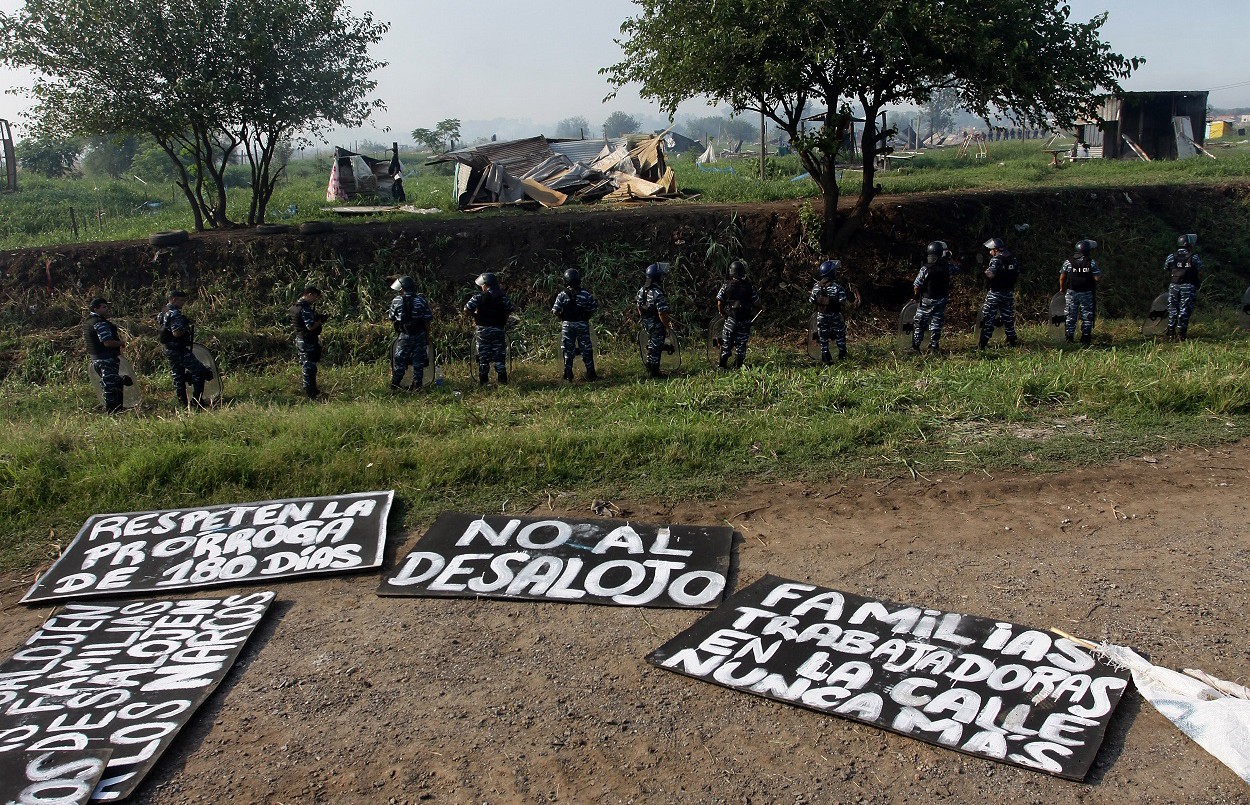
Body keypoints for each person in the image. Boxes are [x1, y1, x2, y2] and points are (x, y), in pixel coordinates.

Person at [157, 290, 212, 407]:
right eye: (181, 300)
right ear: (173, 299)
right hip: (178, 349)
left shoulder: (163, 312)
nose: (183, 303)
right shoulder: (175, 313)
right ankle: (196, 401)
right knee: (200, 371)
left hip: (168, 349)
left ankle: (182, 404)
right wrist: (186, 326)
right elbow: (176, 333)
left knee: (178, 376)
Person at [464, 272, 514, 386]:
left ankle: (483, 381)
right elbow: (510, 309)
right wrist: (503, 318)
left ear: (485, 285)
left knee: (483, 356)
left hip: (482, 331)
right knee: (499, 355)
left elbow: (466, 309)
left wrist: (476, 315)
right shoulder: (503, 297)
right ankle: (502, 380)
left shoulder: (478, 297)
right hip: (498, 329)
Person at [551, 268, 599, 381]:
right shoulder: (586, 294)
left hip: (567, 325)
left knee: (568, 349)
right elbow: (593, 308)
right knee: (586, 348)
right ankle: (591, 373)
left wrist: (562, 317)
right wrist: (586, 318)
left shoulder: (562, 295)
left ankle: (568, 374)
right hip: (582, 324)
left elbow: (555, 311)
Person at [911, 241, 960, 353]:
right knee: (936, 323)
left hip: (926, 300)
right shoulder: (947, 267)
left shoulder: (925, 268)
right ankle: (934, 346)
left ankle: (915, 346)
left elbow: (917, 285)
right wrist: (949, 258)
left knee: (919, 323)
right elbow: (957, 269)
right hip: (942, 299)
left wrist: (915, 297)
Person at [716, 259, 764, 369]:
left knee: (726, 343)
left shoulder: (726, 286)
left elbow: (719, 302)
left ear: (731, 272)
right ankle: (738, 366)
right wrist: (760, 308)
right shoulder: (749, 287)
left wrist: (722, 312)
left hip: (731, 319)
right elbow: (757, 303)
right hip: (745, 320)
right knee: (741, 344)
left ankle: (722, 366)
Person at [83, 297, 129, 413]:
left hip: (96, 359)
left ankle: (116, 410)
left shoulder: (88, 322)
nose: (107, 309)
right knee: (111, 388)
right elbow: (108, 342)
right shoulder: (100, 323)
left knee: (112, 384)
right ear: (95, 309)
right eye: (104, 307)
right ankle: (113, 413)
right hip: (106, 359)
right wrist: (122, 343)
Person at [388, 275, 433, 391]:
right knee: (419, 362)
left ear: (402, 288)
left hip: (404, 335)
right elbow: (427, 320)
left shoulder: (396, 300)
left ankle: (395, 385)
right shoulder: (421, 300)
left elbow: (392, 318)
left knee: (400, 361)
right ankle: (418, 386)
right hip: (420, 335)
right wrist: (427, 337)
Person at [978, 237, 1020, 349]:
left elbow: (991, 274)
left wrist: (983, 271)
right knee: (1008, 318)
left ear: (996, 249)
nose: (990, 252)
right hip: (1008, 293)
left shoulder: (996, 260)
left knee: (988, 318)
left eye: (991, 250)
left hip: (995, 293)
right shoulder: (1012, 258)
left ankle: (983, 344)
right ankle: (1012, 341)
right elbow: (1017, 273)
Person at [636, 263, 674, 378]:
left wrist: (645, 319)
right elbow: (661, 313)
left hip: (647, 322)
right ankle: (654, 372)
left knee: (651, 345)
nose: (663, 277)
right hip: (656, 323)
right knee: (656, 347)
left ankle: (649, 367)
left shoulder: (642, 290)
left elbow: (639, 307)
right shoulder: (657, 292)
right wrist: (666, 327)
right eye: (661, 275)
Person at [1059, 239, 1100, 345]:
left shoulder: (1068, 262)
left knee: (1070, 315)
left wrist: (1062, 288)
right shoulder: (1090, 262)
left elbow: (1062, 277)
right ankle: (1086, 338)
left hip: (1071, 292)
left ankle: (1069, 337)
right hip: (1086, 293)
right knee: (1087, 316)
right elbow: (1097, 278)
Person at [809, 259, 848, 363]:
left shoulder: (816, 287)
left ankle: (825, 356)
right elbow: (843, 301)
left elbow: (811, 300)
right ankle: (842, 355)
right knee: (839, 334)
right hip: (835, 315)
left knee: (822, 336)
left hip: (821, 315)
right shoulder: (837, 287)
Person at [1164, 235, 1202, 341]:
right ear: (1188, 245)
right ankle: (1181, 334)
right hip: (1188, 287)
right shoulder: (1194, 257)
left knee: (1172, 309)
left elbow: (1166, 270)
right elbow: (1200, 271)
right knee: (1184, 310)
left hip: (1173, 286)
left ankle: (1171, 333)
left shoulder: (1171, 257)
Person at [291, 286, 326, 399]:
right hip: (307, 340)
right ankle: (310, 392)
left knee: (307, 365)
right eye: (315, 297)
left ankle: (311, 390)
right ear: (309, 294)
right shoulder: (305, 308)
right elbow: (310, 326)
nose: (315, 300)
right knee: (309, 367)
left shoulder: (295, 306)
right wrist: (320, 321)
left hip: (300, 338)